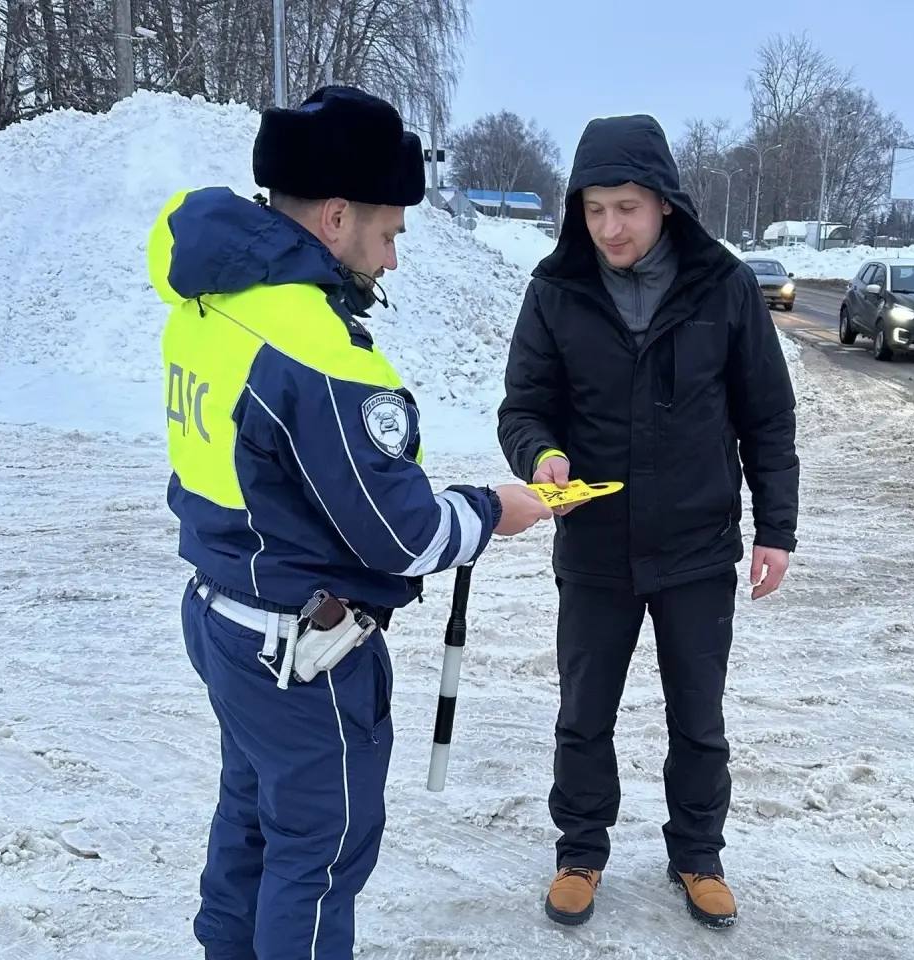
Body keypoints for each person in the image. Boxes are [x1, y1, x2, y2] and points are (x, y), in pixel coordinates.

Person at [148, 85, 552, 960]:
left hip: (226, 613)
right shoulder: (314, 347)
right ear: (336, 217)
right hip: (302, 655)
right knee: (320, 856)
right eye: (390, 232)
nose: (393, 258)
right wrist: (493, 511)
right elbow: (399, 532)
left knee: (251, 828)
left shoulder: (213, 297)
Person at [498, 114, 800, 929]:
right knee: (584, 710)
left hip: (698, 548)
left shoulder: (726, 289)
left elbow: (767, 417)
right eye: (594, 209)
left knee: (698, 714)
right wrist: (543, 453)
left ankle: (698, 855)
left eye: (626, 207)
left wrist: (777, 528)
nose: (610, 227)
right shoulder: (556, 292)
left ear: (666, 202)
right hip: (595, 545)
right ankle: (580, 852)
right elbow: (524, 406)